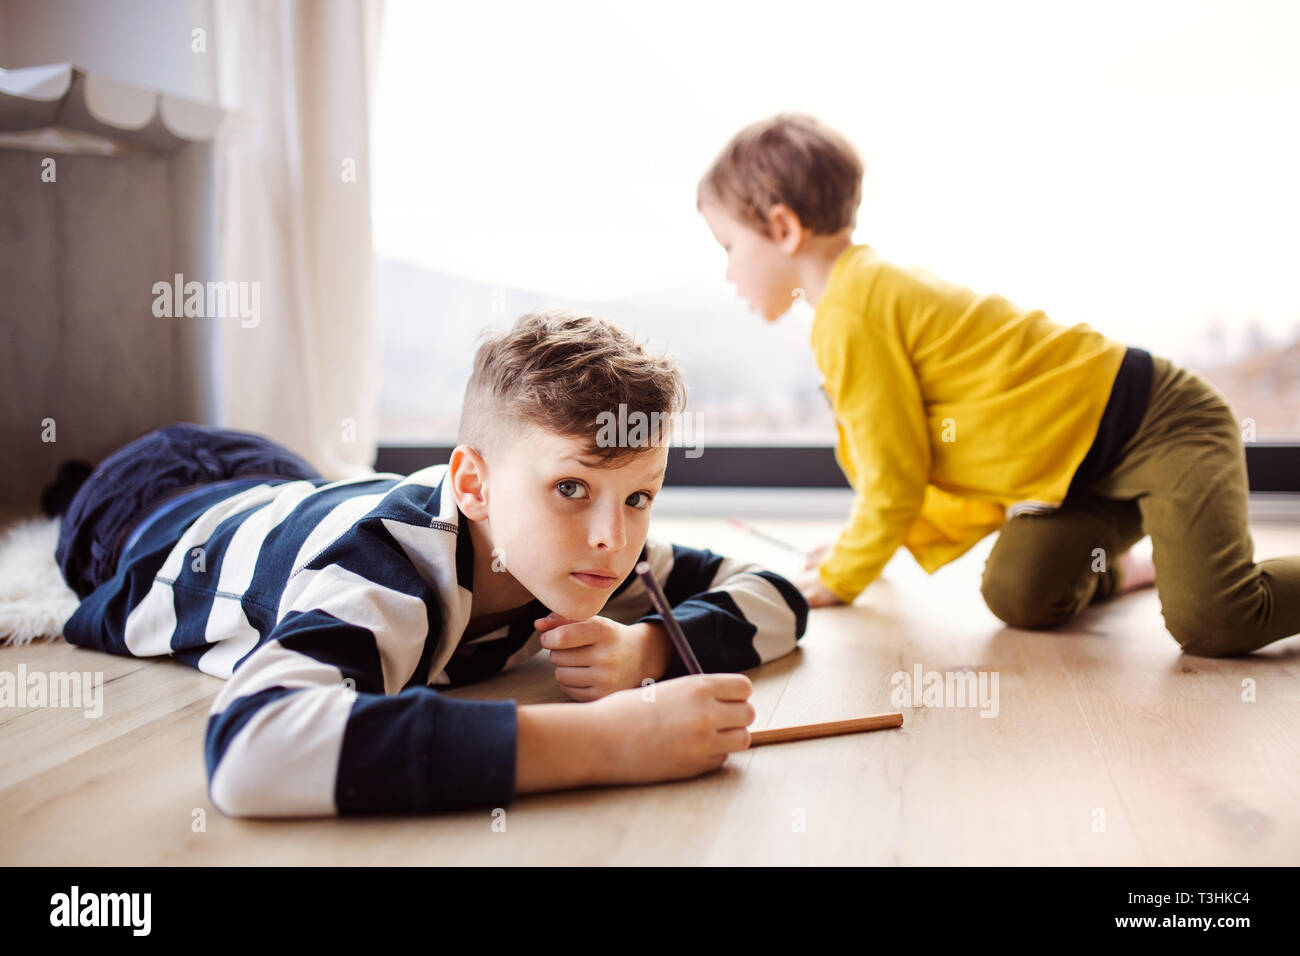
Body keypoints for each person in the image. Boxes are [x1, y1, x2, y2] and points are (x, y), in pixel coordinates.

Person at [48, 310, 809, 817]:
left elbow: (778, 593)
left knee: (308, 490)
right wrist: (612, 740)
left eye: (640, 496)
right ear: (475, 487)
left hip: (280, 477)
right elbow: (250, 750)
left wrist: (647, 650)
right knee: (67, 494)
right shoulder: (387, 572)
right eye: (570, 488)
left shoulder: (595, 549)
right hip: (147, 507)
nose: (613, 538)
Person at [696, 112, 1300, 657]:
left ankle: (1185, 560)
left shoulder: (854, 313)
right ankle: (1134, 564)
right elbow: (899, 459)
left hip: (1161, 424)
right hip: (1077, 470)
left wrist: (845, 572)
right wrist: (856, 549)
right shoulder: (856, 298)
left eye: (728, 246)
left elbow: (895, 478)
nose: (727, 271)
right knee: (1021, 595)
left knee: (1218, 620)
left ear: (782, 228)